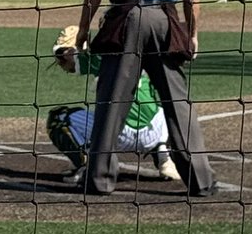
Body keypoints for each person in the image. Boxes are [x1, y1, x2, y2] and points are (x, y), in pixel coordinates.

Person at [74, 0, 216, 196]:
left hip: (126, 18)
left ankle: (99, 179)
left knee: (112, 100)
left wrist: (83, 31)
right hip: (166, 19)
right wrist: (192, 35)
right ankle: (201, 180)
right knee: (178, 102)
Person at [48, 26, 180, 184]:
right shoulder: (146, 50)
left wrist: (72, 48)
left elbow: (71, 61)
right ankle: (163, 153)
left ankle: (91, 166)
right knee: (172, 107)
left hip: (116, 133)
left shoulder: (99, 57)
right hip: (154, 132)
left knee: (59, 117)